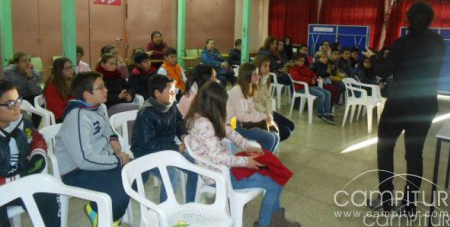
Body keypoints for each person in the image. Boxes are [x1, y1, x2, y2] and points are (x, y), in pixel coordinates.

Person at [364, 2, 445, 216]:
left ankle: (387, 200)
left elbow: (383, 70)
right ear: (430, 20)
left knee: (385, 150)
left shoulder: (402, 44)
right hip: (425, 106)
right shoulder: (438, 42)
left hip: (398, 106)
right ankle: (409, 206)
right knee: (415, 155)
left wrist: (372, 57)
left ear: (407, 20)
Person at [186, 81, 301, 227]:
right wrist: (247, 162)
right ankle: (266, 222)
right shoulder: (203, 123)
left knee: (273, 173)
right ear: (214, 104)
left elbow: (231, 133)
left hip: (224, 169)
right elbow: (217, 157)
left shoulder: (206, 116)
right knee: (275, 183)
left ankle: (275, 219)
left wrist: (247, 147)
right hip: (219, 176)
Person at [54, 72, 130, 227]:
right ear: (87, 94)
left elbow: (106, 127)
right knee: (119, 193)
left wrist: (113, 138)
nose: (106, 90)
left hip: (99, 160)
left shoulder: (99, 106)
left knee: (136, 174)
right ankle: (105, 219)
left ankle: (100, 212)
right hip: (76, 170)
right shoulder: (77, 117)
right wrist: (117, 160)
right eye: (100, 88)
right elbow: (84, 159)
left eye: (105, 86)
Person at [0, 80, 60, 227]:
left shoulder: (22, 122)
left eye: (17, 101)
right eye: (10, 104)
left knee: (49, 196)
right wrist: (19, 178)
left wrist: (37, 154)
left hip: (21, 180)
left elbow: (37, 138)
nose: (17, 108)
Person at [130, 74, 197, 203]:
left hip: (168, 150)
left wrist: (183, 135)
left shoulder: (171, 104)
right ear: (157, 93)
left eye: (174, 90)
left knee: (195, 165)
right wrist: (176, 148)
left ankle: (190, 203)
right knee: (170, 174)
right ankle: (164, 213)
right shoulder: (146, 113)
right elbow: (149, 145)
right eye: (170, 91)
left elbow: (178, 121)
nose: (174, 93)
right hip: (146, 154)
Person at [227, 63, 280, 153]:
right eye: (255, 74)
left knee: (275, 136)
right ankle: (260, 162)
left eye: (258, 74)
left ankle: (264, 161)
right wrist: (263, 116)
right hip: (232, 124)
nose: (258, 76)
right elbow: (242, 117)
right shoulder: (236, 91)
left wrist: (266, 116)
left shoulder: (249, 89)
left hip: (242, 123)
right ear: (246, 76)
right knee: (270, 139)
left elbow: (252, 110)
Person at [253, 55, 295, 140]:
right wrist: (266, 113)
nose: (268, 68)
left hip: (266, 112)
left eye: (268, 66)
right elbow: (252, 102)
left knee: (291, 125)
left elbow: (269, 98)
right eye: (265, 66)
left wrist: (269, 114)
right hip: (256, 113)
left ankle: (270, 141)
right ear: (257, 66)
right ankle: (266, 143)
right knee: (285, 132)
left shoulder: (266, 78)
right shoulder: (252, 80)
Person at [289, 53, 336, 124]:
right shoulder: (293, 69)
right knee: (321, 94)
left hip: (309, 87)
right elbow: (297, 78)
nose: (302, 62)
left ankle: (327, 113)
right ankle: (320, 113)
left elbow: (313, 74)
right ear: (295, 61)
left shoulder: (304, 67)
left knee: (327, 93)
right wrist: (310, 80)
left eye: (303, 61)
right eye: (300, 61)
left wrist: (314, 78)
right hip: (301, 89)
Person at [2, 52, 42, 128]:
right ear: (17, 64)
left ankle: (33, 129)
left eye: (29, 60)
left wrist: (30, 77)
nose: (27, 63)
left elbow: (37, 91)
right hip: (14, 97)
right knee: (21, 115)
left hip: (30, 96)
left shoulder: (33, 71)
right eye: (24, 61)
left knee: (39, 107)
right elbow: (5, 88)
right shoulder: (8, 73)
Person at [43, 57, 75, 122]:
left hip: (72, 113)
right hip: (60, 119)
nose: (71, 70)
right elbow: (59, 111)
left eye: (71, 67)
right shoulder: (52, 86)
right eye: (66, 68)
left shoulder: (72, 80)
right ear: (59, 70)